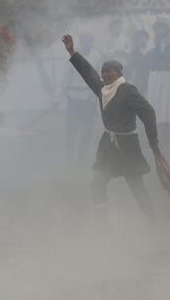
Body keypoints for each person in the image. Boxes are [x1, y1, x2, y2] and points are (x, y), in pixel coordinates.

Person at [62, 34, 158, 217]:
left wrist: (153, 141)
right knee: (97, 182)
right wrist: (72, 52)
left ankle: (152, 218)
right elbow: (87, 72)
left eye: (110, 71)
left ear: (120, 73)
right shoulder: (102, 90)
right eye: (103, 71)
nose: (105, 74)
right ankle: (102, 222)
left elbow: (148, 112)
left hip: (128, 144)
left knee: (136, 186)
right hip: (108, 144)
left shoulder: (128, 90)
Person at [56, 33, 101, 162]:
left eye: (89, 41)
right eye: (84, 41)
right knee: (72, 128)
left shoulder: (96, 56)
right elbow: (64, 79)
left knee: (87, 129)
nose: (87, 43)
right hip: (74, 98)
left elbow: (97, 77)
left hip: (89, 100)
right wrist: (57, 98)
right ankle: (69, 155)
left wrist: (95, 96)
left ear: (92, 42)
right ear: (81, 42)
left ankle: (81, 157)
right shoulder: (73, 56)